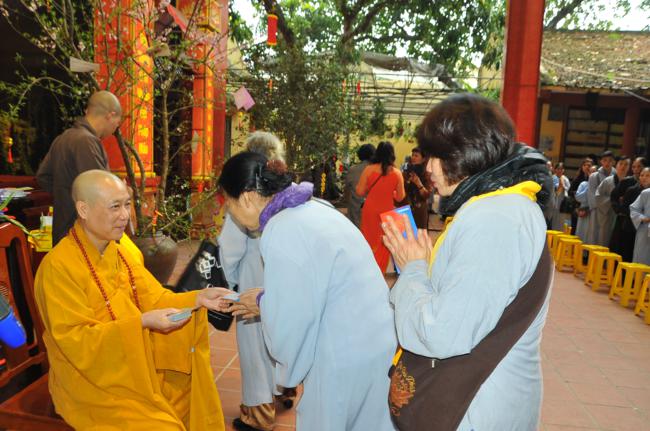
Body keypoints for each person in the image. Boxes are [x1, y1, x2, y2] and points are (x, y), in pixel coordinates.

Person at [382, 94, 553, 431]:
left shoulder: (495, 218)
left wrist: (414, 270)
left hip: (476, 405)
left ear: (465, 154)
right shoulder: (496, 206)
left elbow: (443, 332)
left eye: (436, 156)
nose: (428, 168)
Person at [34, 170, 227, 430]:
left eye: (127, 204)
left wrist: (198, 299)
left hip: (136, 360)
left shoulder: (124, 250)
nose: (125, 215)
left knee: (191, 391)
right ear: (83, 209)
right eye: (115, 207)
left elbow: (154, 297)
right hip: (90, 381)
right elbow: (76, 342)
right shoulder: (58, 267)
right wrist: (142, 323)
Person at [217, 152, 397, 431]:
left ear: (248, 197)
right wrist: (267, 300)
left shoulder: (281, 229)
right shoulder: (315, 208)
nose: (232, 214)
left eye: (230, 204)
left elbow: (291, 322)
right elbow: (315, 286)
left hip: (341, 353)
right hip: (374, 341)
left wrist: (267, 306)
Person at [218, 131, 294, 431]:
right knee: (282, 336)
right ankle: (285, 390)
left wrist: (227, 285)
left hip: (252, 277)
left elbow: (230, 249)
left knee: (254, 347)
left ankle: (258, 413)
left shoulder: (244, 196)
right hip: (282, 278)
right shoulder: (285, 193)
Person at [36, 91, 123, 245]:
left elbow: (43, 177)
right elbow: (103, 192)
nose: (115, 129)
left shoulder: (62, 138)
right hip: (85, 235)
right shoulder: (87, 142)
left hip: (63, 229)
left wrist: (65, 195)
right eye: (117, 123)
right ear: (110, 115)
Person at [356, 141, 406, 272]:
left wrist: (370, 190)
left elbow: (359, 191)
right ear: (392, 155)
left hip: (370, 210)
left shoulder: (369, 169)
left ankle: (367, 270)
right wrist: (391, 193)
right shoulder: (397, 173)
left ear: (377, 153)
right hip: (387, 212)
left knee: (368, 239)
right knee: (384, 242)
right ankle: (380, 272)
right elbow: (400, 197)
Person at [610, 157, 647, 260]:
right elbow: (614, 197)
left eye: (639, 167)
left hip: (641, 222)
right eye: (634, 167)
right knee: (622, 247)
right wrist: (620, 210)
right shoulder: (627, 182)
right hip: (625, 219)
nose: (636, 169)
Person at [594, 155, 630, 246]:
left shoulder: (631, 182)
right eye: (621, 164)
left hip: (624, 218)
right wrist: (614, 200)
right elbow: (598, 196)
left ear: (629, 167)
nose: (623, 166)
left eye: (626, 164)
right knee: (605, 240)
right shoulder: (607, 181)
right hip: (608, 214)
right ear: (616, 165)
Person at [586, 150, 615, 244]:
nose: (607, 163)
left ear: (613, 162)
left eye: (610, 160)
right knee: (594, 234)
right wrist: (608, 202)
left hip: (611, 210)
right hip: (597, 210)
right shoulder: (594, 176)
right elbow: (591, 194)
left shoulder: (617, 176)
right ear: (601, 161)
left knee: (607, 236)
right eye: (605, 160)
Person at [345, 143, 375, 228]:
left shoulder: (352, 170)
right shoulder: (377, 170)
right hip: (371, 210)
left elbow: (347, 191)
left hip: (355, 211)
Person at [403, 147, 432, 229]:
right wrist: (407, 181)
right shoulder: (406, 172)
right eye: (412, 155)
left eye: (416, 156)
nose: (413, 157)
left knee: (419, 233)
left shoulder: (427, 174)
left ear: (423, 159)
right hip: (406, 209)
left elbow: (426, 195)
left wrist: (418, 183)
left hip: (419, 211)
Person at [629, 168, 650, 265]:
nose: (645, 178)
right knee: (642, 257)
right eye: (643, 175)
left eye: (648, 175)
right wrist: (643, 218)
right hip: (645, 230)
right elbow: (633, 208)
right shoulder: (646, 193)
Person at [568, 158, 594, 234]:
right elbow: (570, 192)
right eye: (584, 165)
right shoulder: (578, 178)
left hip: (589, 208)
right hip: (577, 207)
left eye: (589, 165)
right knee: (575, 229)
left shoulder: (594, 179)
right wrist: (578, 193)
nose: (586, 167)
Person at [575, 166, 598, 243]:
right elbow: (578, 197)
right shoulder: (583, 184)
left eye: (594, 172)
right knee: (581, 232)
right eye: (591, 172)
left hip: (594, 212)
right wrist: (589, 188)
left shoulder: (599, 186)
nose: (592, 174)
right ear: (588, 173)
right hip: (583, 210)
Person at [551, 162, 571, 231]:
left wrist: (562, 179)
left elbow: (567, 188)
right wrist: (561, 181)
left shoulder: (566, 178)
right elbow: (558, 189)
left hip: (563, 202)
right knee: (555, 222)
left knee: (563, 222)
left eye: (561, 169)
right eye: (558, 169)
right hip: (555, 201)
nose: (560, 170)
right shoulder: (553, 178)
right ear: (555, 169)